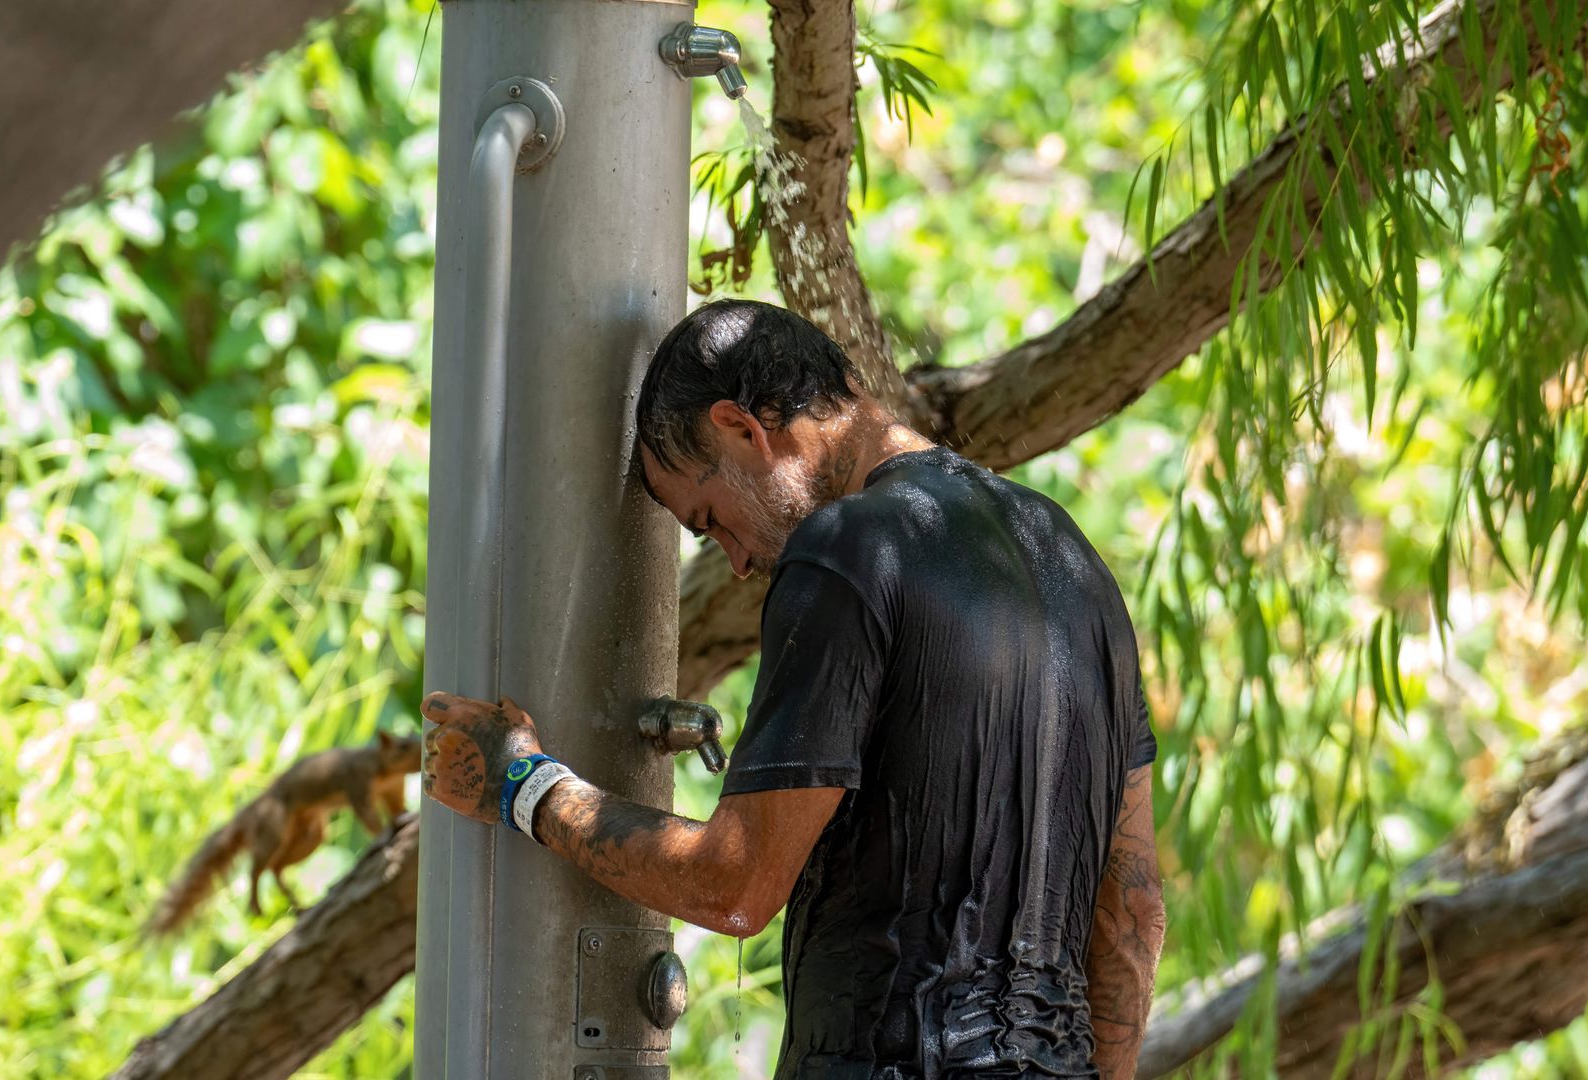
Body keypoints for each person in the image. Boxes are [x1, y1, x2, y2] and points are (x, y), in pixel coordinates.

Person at [420, 299, 1165, 1079]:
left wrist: (524, 785)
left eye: (709, 519)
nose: (737, 563)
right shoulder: (1079, 571)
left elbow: (734, 886)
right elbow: (1136, 915)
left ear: (743, 428)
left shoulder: (847, 547)